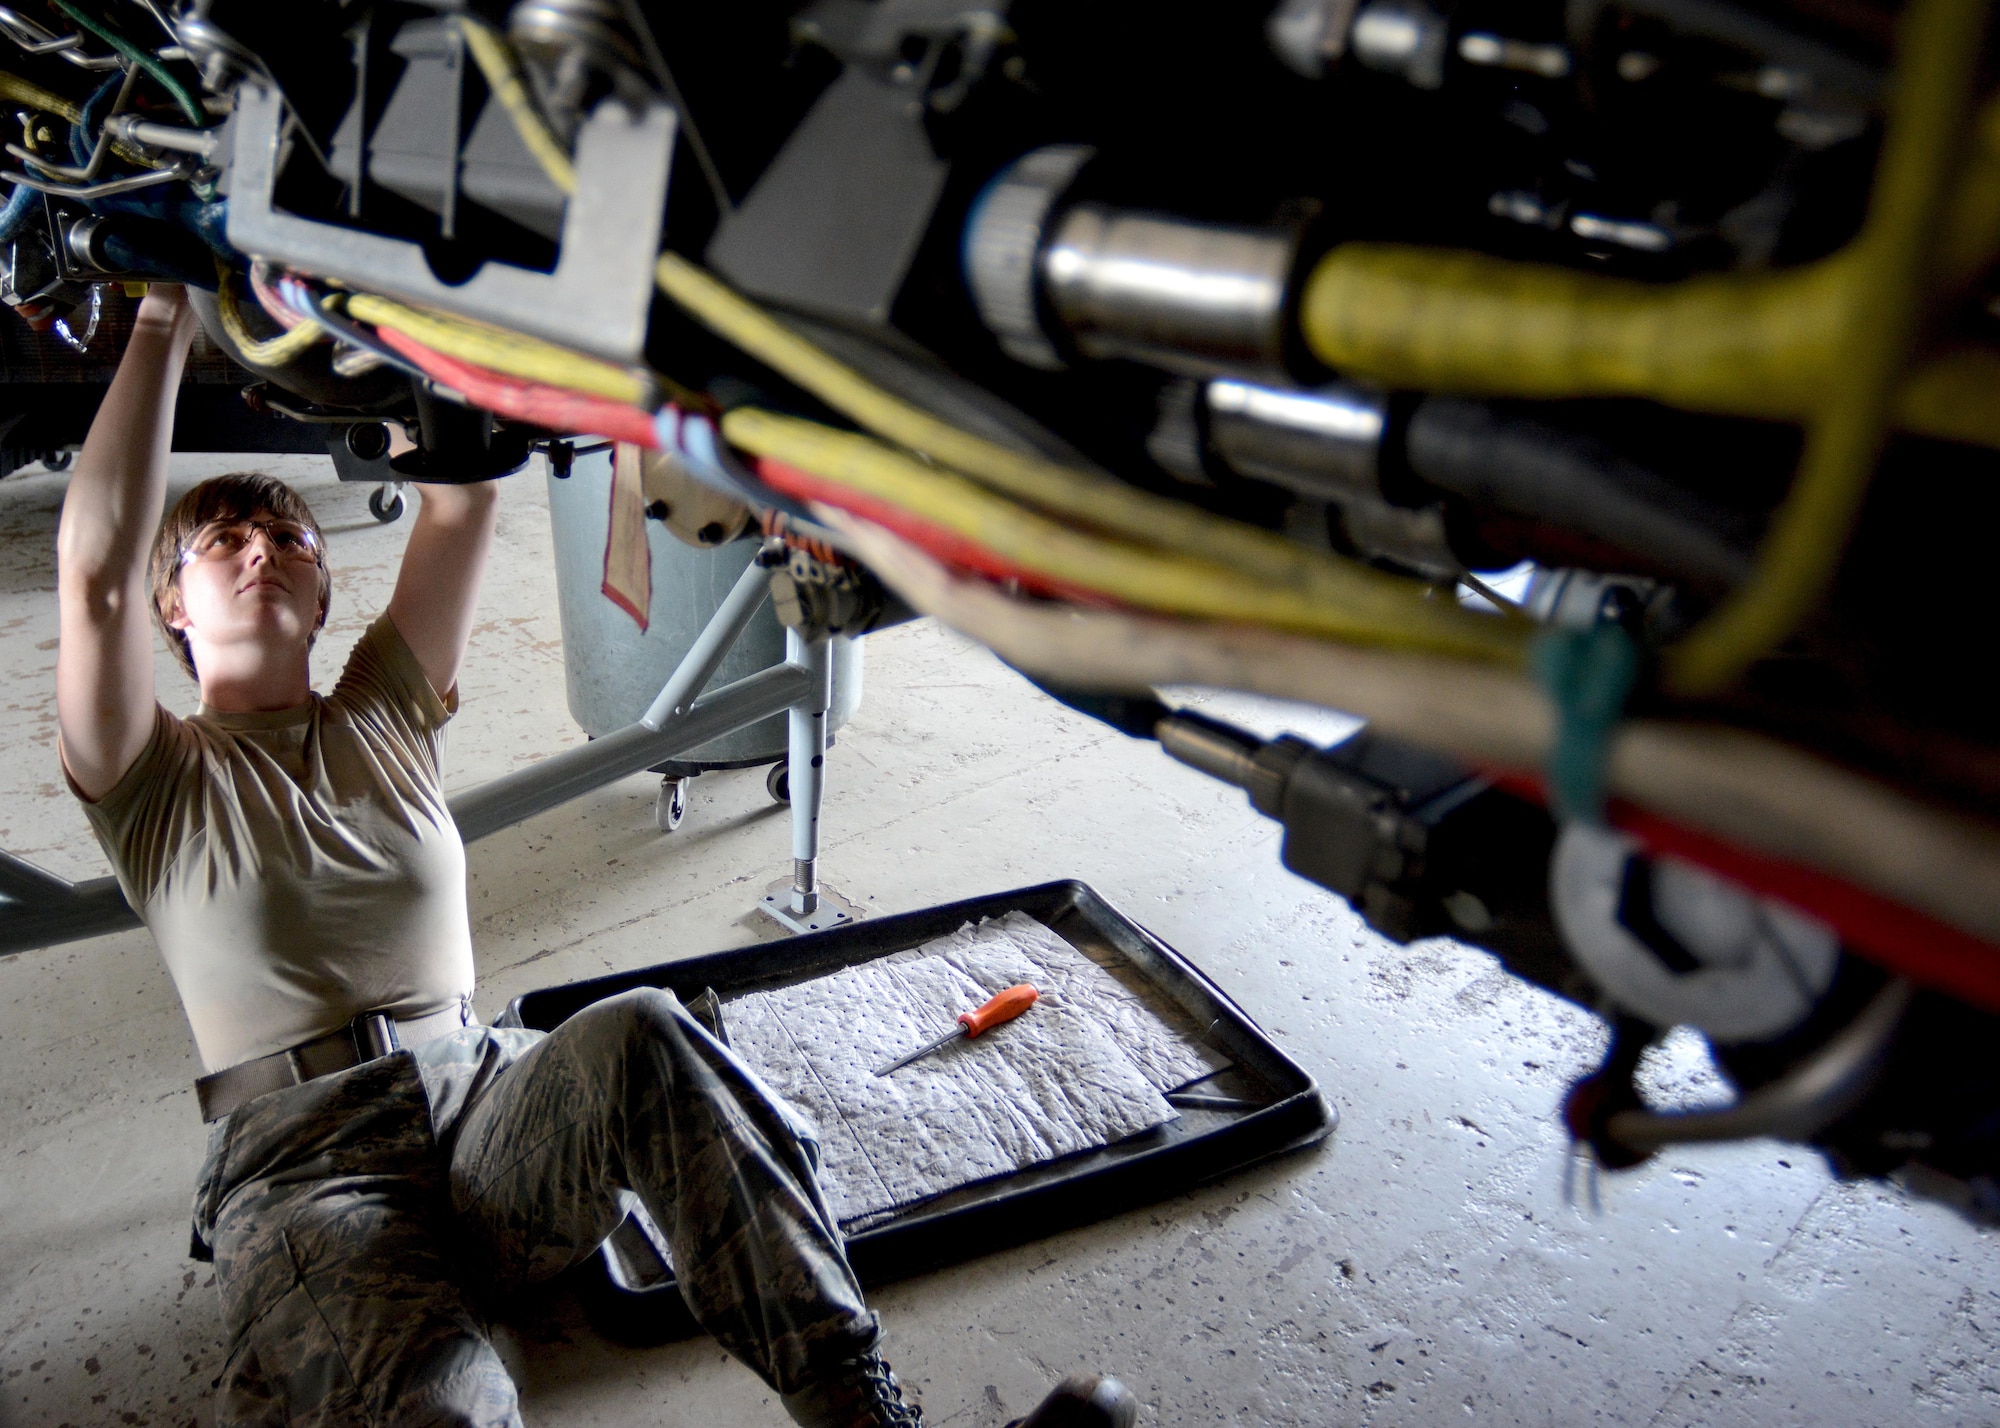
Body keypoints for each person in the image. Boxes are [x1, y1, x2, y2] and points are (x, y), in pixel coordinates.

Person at [54, 284, 1136, 1428]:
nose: (261, 551)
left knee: (648, 1032)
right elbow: (93, 576)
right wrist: (166, 316)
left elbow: (461, 508)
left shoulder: (382, 708)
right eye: (222, 543)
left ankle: (865, 1419)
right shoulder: (150, 776)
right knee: (447, 1411)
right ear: (172, 604)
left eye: (288, 538)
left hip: (478, 1101)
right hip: (309, 1164)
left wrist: (434, 328)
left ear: (325, 591)